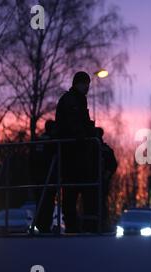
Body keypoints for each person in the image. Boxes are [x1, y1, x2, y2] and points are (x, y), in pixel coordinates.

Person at [55, 71, 96, 233]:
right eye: (86, 84)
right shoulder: (72, 100)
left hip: (75, 152)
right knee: (73, 190)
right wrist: (84, 136)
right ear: (79, 83)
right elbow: (74, 123)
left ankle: (81, 225)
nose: (87, 88)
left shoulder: (76, 99)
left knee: (76, 190)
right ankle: (76, 226)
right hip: (72, 152)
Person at [31, 120, 57, 233]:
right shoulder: (53, 141)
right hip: (49, 176)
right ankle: (45, 226)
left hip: (37, 177)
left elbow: (31, 158)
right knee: (49, 202)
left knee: (39, 202)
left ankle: (40, 224)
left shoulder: (37, 140)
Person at [94, 127, 118, 231]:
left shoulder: (105, 149)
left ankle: (102, 224)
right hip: (90, 180)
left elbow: (112, 165)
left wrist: (106, 176)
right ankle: (92, 224)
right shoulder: (89, 147)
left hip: (101, 182)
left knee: (101, 203)